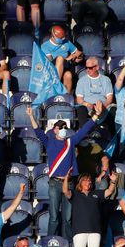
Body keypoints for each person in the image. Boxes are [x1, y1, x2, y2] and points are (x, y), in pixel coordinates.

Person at [28, 103, 103, 240]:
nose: (63, 130)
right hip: (54, 183)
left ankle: (68, 244)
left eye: (65, 128)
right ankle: (50, 243)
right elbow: (38, 131)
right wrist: (31, 116)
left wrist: (96, 115)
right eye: (61, 127)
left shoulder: (71, 141)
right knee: (54, 216)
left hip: (69, 183)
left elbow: (84, 130)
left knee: (67, 218)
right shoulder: (49, 141)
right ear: (55, 130)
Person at [63, 168, 117, 247]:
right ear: (80, 182)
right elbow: (65, 191)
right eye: (85, 180)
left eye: (89, 180)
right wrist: (67, 178)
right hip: (79, 231)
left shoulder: (96, 193)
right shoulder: (75, 194)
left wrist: (113, 181)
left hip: (95, 231)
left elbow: (109, 191)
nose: (88, 182)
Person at [41, 25, 83, 94]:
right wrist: (66, 59)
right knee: (60, 58)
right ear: (53, 36)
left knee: (68, 75)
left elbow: (78, 53)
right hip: (51, 69)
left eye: (63, 38)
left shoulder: (66, 42)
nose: (63, 39)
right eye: (60, 38)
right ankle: (55, 86)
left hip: (65, 66)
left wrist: (78, 57)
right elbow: (49, 61)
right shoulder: (45, 46)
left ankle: (66, 98)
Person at [75, 57, 114, 128]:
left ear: (97, 67)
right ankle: (84, 134)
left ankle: (112, 136)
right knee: (81, 109)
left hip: (103, 105)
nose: (87, 70)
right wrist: (87, 104)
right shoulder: (81, 80)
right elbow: (79, 99)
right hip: (88, 106)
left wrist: (103, 107)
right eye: (86, 68)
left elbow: (109, 99)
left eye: (90, 68)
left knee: (113, 110)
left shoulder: (106, 80)